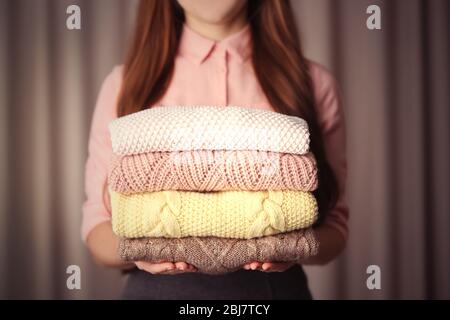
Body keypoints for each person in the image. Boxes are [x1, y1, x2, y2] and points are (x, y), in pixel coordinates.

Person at [82, 0, 348, 299]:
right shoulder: (125, 84)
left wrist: (290, 247)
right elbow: (97, 230)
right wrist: (141, 250)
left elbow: (335, 229)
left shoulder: (312, 83)